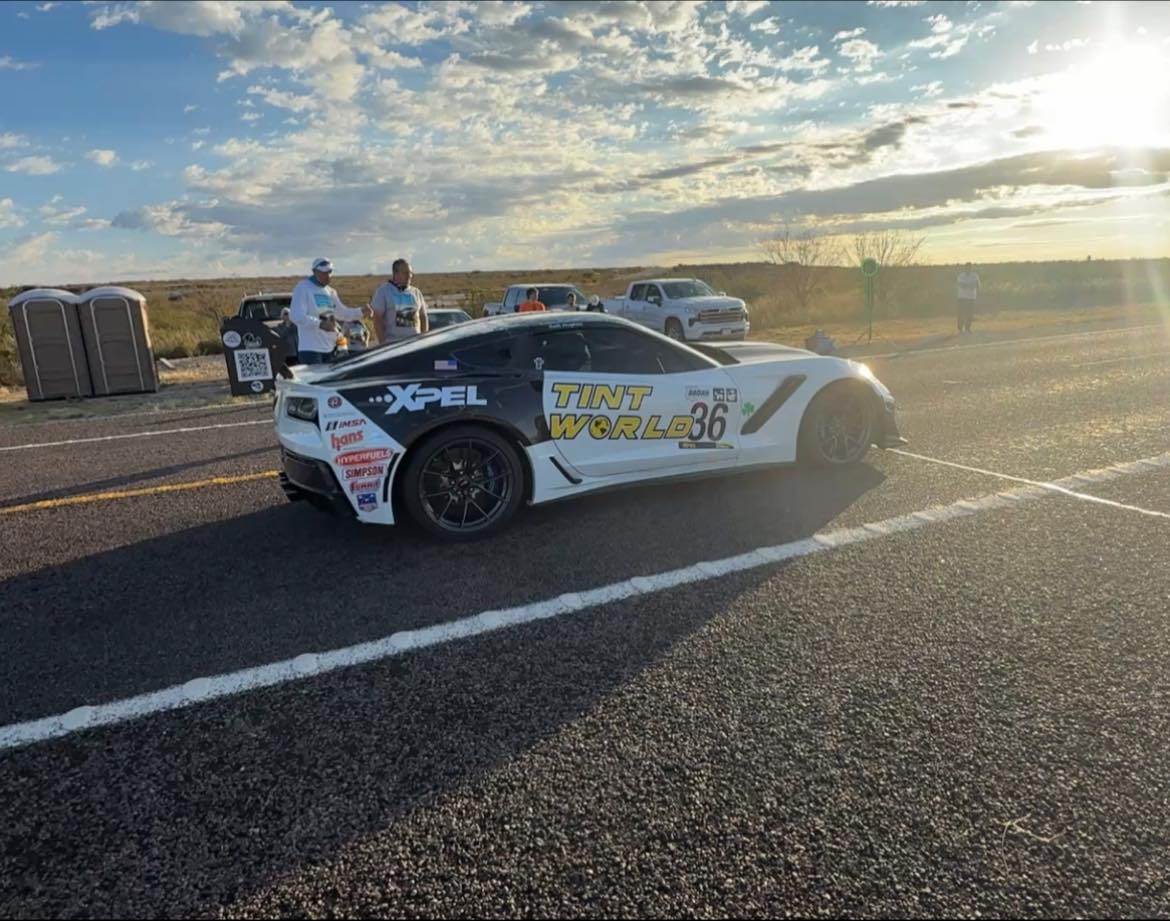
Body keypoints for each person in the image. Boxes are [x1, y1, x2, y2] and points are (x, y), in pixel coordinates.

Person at [290, 258, 372, 365]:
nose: (328, 276)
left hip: (331, 349)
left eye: (330, 272)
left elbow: (342, 313)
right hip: (311, 349)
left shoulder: (330, 292)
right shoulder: (303, 287)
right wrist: (320, 324)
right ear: (315, 271)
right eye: (324, 272)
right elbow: (296, 315)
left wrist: (361, 312)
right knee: (317, 381)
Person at [370, 258, 429, 343]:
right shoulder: (383, 292)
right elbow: (377, 318)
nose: (409, 276)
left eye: (411, 273)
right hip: (393, 344)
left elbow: (423, 316)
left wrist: (424, 338)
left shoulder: (416, 292)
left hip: (415, 343)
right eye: (406, 273)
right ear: (395, 274)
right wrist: (383, 343)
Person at [956, 262, 980, 334]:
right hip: (962, 297)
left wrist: (968, 285)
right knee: (961, 313)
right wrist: (971, 285)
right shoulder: (961, 275)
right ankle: (960, 328)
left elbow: (977, 285)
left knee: (970, 313)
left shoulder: (975, 276)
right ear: (965, 268)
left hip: (971, 297)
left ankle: (968, 328)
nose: (968, 269)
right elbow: (961, 285)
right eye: (967, 267)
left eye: (970, 267)